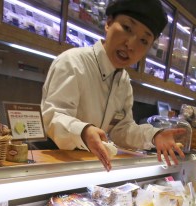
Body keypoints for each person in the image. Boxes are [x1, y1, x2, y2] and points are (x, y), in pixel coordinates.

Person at [40, 0, 185, 171]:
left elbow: (121, 130)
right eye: (127, 28)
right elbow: (53, 117)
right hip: (56, 165)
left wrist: (154, 136)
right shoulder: (72, 62)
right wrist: (84, 131)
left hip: (91, 168)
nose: (131, 45)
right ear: (109, 23)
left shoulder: (124, 82)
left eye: (143, 41)